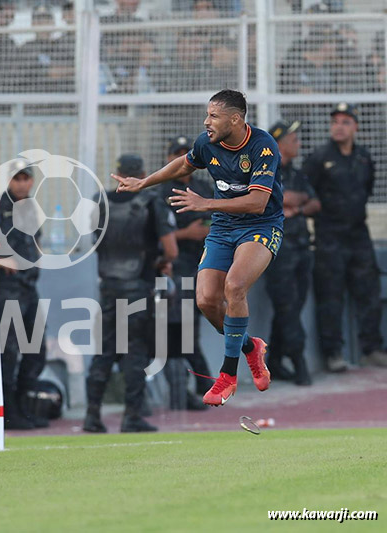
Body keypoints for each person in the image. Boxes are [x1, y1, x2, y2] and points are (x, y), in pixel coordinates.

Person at [112, 90, 282, 406]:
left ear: (235, 118)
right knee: (205, 300)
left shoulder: (263, 146)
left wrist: (206, 203)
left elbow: (258, 203)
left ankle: (227, 375)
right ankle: (249, 348)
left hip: (260, 226)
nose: (207, 121)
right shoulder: (207, 142)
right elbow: (184, 165)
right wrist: (142, 182)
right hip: (223, 227)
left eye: (214, 115)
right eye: (207, 115)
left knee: (234, 287)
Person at [84, 154, 177, 432]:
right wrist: (159, 261)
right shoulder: (151, 203)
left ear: (118, 172)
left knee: (104, 351)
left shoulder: (101, 201)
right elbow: (171, 250)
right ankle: (132, 416)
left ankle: (92, 416)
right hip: (138, 287)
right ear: (143, 173)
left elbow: (96, 241)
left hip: (109, 286)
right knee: (134, 352)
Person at [302, 104, 387, 372]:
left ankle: (371, 348)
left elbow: (367, 188)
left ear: (355, 127)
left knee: (369, 292)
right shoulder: (319, 157)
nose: (339, 126)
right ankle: (333, 353)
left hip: (358, 233)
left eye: (345, 122)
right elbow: (307, 191)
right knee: (330, 295)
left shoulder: (363, 157)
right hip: (330, 235)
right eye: (335, 122)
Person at [159, 137, 213, 410]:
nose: (182, 159)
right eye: (176, 154)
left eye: (185, 154)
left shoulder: (203, 187)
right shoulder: (160, 191)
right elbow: (158, 236)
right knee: (174, 333)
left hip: (202, 267)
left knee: (189, 331)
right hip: (172, 270)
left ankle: (203, 387)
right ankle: (199, 387)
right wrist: (187, 233)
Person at [265, 120, 320, 385]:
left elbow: (315, 203)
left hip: (300, 246)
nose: (298, 143)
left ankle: (273, 360)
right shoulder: (265, 171)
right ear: (279, 144)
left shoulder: (297, 174)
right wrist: (293, 199)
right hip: (278, 249)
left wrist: (295, 206)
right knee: (286, 305)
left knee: (292, 307)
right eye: (293, 139)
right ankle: (298, 362)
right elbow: (273, 197)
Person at [0, 164, 49, 430]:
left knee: (36, 349)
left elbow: (35, 240)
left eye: (27, 179)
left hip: (29, 287)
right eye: (18, 179)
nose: (23, 184)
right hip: (7, 289)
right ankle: (9, 412)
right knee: (9, 353)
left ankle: (25, 406)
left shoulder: (31, 207)